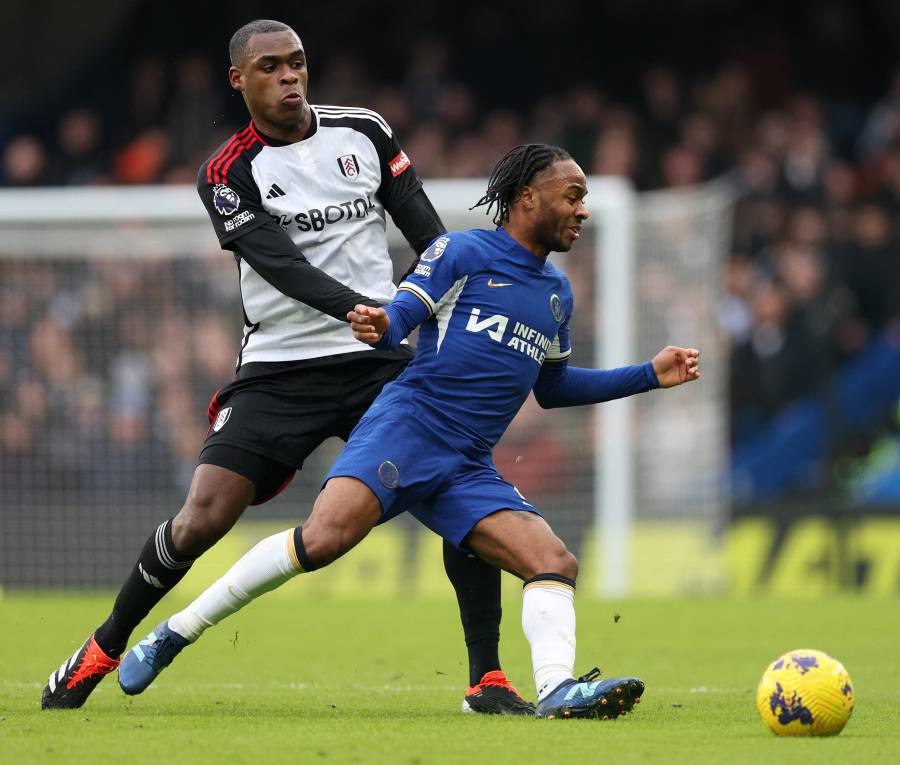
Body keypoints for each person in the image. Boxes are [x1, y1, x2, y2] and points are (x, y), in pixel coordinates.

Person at [41, 19, 531, 716]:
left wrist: (423, 312)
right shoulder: (227, 172)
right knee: (204, 516)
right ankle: (104, 645)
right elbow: (283, 266)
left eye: (298, 63)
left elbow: (430, 236)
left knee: (459, 487)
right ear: (238, 79)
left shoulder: (362, 131)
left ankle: (486, 677)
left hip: (378, 361)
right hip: (280, 366)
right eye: (271, 67)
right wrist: (367, 306)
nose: (290, 77)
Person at [117, 144, 701, 720]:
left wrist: (648, 375)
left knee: (555, 561)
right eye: (573, 196)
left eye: (585, 200)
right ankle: (174, 632)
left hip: (468, 461)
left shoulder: (556, 293)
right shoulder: (461, 251)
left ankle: (557, 689)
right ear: (528, 198)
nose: (583, 210)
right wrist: (380, 322)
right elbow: (402, 315)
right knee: (322, 541)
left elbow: (552, 388)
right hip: (409, 427)